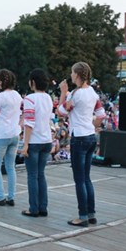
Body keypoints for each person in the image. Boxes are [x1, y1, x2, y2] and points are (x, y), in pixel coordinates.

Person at [58, 62, 106, 227]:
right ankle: (91, 213)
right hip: (90, 136)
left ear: (77, 75)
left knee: (79, 179)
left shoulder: (75, 94)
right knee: (86, 178)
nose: (71, 76)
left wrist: (63, 93)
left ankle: (83, 216)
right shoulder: (92, 93)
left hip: (78, 137)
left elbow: (61, 112)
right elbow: (101, 115)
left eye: (72, 73)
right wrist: (90, 126)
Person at [19, 69, 53, 217]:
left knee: (32, 175)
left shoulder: (30, 99)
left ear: (32, 82)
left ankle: (33, 208)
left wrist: (25, 144)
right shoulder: (48, 98)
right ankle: (43, 207)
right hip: (46, 140)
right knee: (41, 175)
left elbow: (29, 123)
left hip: (34, 141)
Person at [0, 69, 22, 206]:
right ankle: (11, 196)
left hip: (2, 134)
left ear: (1, 81)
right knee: (10, 166)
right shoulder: (18, 95)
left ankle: (0, 196)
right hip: (14, 134)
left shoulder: (0, 97)